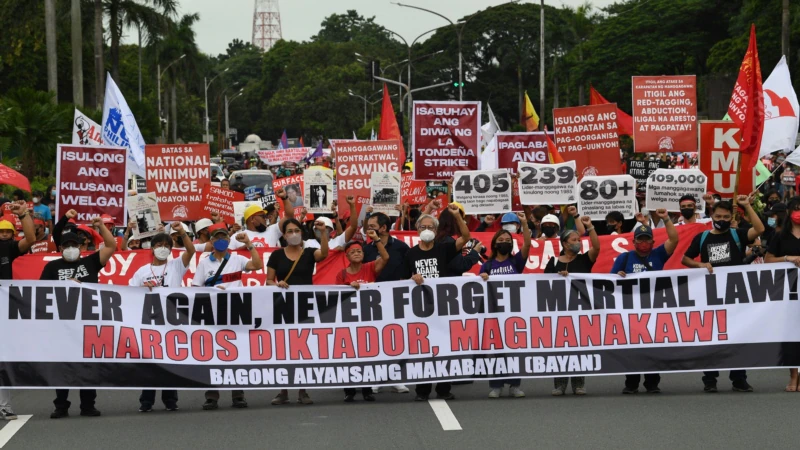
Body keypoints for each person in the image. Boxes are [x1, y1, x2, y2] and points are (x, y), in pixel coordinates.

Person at [682, 196, 764, 393]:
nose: (722, 219)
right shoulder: (702, 238)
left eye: (726, 216)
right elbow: (685, 259)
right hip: (710, 296)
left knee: (738, 337)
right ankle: (710, 379)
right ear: (712, 215)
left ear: (731, 217)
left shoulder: (738, 235)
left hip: (735, 295)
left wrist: (747, 206)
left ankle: (739, 378)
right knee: (711, 338)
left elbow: (760, 230)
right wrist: (700, 264)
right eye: (718, 215)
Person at [43, 214, 117, 419]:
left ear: (81, 247)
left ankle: (88, 405)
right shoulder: (52, 268)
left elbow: (110, 246)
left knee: (88, 364)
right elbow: (41, 293)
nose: (70, 248)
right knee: (63, 366)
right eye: (66, 246)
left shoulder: (91, 262)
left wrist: (101, 227)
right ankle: (61, 406)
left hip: (88, 322)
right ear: (60, 249)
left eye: (73, 245)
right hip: (63, 325)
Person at [401, 204, 470, 402]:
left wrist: (457, 217)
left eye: (431, 227)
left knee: (444, 349)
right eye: (423, 227)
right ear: (417, 230)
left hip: (443, 307)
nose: (427, 231)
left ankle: (443, 389)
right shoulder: (410, 254)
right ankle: (422, 391)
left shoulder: (444, 249)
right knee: (423, 351)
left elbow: (465, 237)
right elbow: (402, 282)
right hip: (421, 309)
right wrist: (412, 278)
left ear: (437, 230)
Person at [193, 223, 263, 410]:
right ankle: (212, 396)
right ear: (211, 241)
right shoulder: (204, 263)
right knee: (211, 354)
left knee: (236, 353)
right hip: (213, 312)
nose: (221, 240)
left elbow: (257, 265)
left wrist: (249, 244)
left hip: (235, 310)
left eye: (224, 237)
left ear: (228, 240)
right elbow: (196, 289)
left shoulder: (238, 259)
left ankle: (238, 395)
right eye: (217, 238)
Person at [129, 224, 195, 412]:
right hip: (150, 322)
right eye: (159, 245)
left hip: (172, 321)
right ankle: (146, 401)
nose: (163, 248)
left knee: (171, 362)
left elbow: (190, 250)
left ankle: (170, 400)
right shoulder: (142, 271)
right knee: (150, 363)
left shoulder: (176, 266)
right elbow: (128, 294)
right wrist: (143, 289)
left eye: (167, 245)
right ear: (152, 248)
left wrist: (181, 232)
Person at [612, 209, 678, 394]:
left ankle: (652, 383)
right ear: (633, 242)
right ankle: (631, 383)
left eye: (646, 239)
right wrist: (619, 275)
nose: (643, 242)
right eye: (639, 239)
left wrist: (665, 219)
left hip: (654, 307)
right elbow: (610, 280)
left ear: (652, 241)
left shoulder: (658, 255)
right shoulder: (624, 257)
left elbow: (674, 240)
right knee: (632, 348)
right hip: (631, 309)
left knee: (653, 346)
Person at [267, 218, 329, 405]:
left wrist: (323, 233)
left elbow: (324, 254)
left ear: (302, 233)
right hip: (283, 307)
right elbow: (268, 280)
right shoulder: (276, 256)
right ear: (284, 235)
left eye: (297, 230)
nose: (293, 234)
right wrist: (277, 284)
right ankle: (283, 390)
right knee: (284, 349)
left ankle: (303, 390)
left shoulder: (309, 253)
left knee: (304, 348)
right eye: (289, 231)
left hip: (305, 306)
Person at [545, 216, 600, 396]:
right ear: (565, 244)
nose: (578, 243)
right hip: (559, 310)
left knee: (579, 347)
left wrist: (590, 227)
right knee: (560, 348)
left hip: (580, 309)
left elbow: (597, 247)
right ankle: (560, 384)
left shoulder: (585, 260)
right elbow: (543, 284)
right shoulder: (553, 262)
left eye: (579, 240)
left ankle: (578, 384)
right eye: (574, 240)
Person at [479, 213, 531, 398]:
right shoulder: (487, 265)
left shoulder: (516, 261)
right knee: (497, 350)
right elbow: (480, 288)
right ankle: (496, 385)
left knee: (513, 350)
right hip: (493, 313)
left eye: (507, 239)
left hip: (514, 311)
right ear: (494, 244)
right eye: (500, 239)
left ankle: (515, 385)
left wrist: (524, 223)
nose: (504, 242)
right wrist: (482, 279)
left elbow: (527, 244)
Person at [362, 211, 411, 394]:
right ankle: (376, 376)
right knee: (375, 338)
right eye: (368, 227)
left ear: (383, 228)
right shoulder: (366, 250)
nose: (369, 230)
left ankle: (395, 376)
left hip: (397, 299)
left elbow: (409, 269)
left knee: (397, 338)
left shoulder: (401, 247)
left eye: (373, 226)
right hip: (372, 300)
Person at [336, 232, 389, 402]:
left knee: (367, 354)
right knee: (349, 355)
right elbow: (337, 297)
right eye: (353, 252)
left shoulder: (370, 268)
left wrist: (377, 240)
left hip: (369, 318)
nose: (357, 254)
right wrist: (348, 287)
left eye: (359, 251)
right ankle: (349, 390)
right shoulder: (342, 275)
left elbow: (386, 257)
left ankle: (367, 390)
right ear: (347, 256)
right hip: (350, 320)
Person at [0, 203, 35, 420]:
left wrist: (23, 215)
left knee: (2, 357)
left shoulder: (9, 248)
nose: (4, 235)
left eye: (7, 232)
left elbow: (30, 239)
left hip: (4, 306)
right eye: (0, 232)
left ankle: (4, 406)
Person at [764, 197, 800, 391]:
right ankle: (793, 376)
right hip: (789, 292)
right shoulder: (781, 235)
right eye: (795, 209)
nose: (798, 213)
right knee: (792, 334)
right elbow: (767, 259)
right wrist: (788, 258)